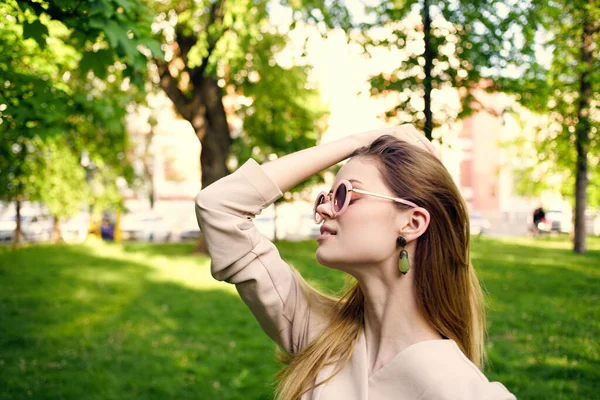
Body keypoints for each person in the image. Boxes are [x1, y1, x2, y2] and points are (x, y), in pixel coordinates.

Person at [195, 125, 517, 400]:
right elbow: (219, 207)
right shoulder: (321, 336)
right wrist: (359, 141)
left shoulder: (459, 388)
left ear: (412, 223)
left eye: (345, 195)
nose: (323, 210)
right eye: (326, 197)